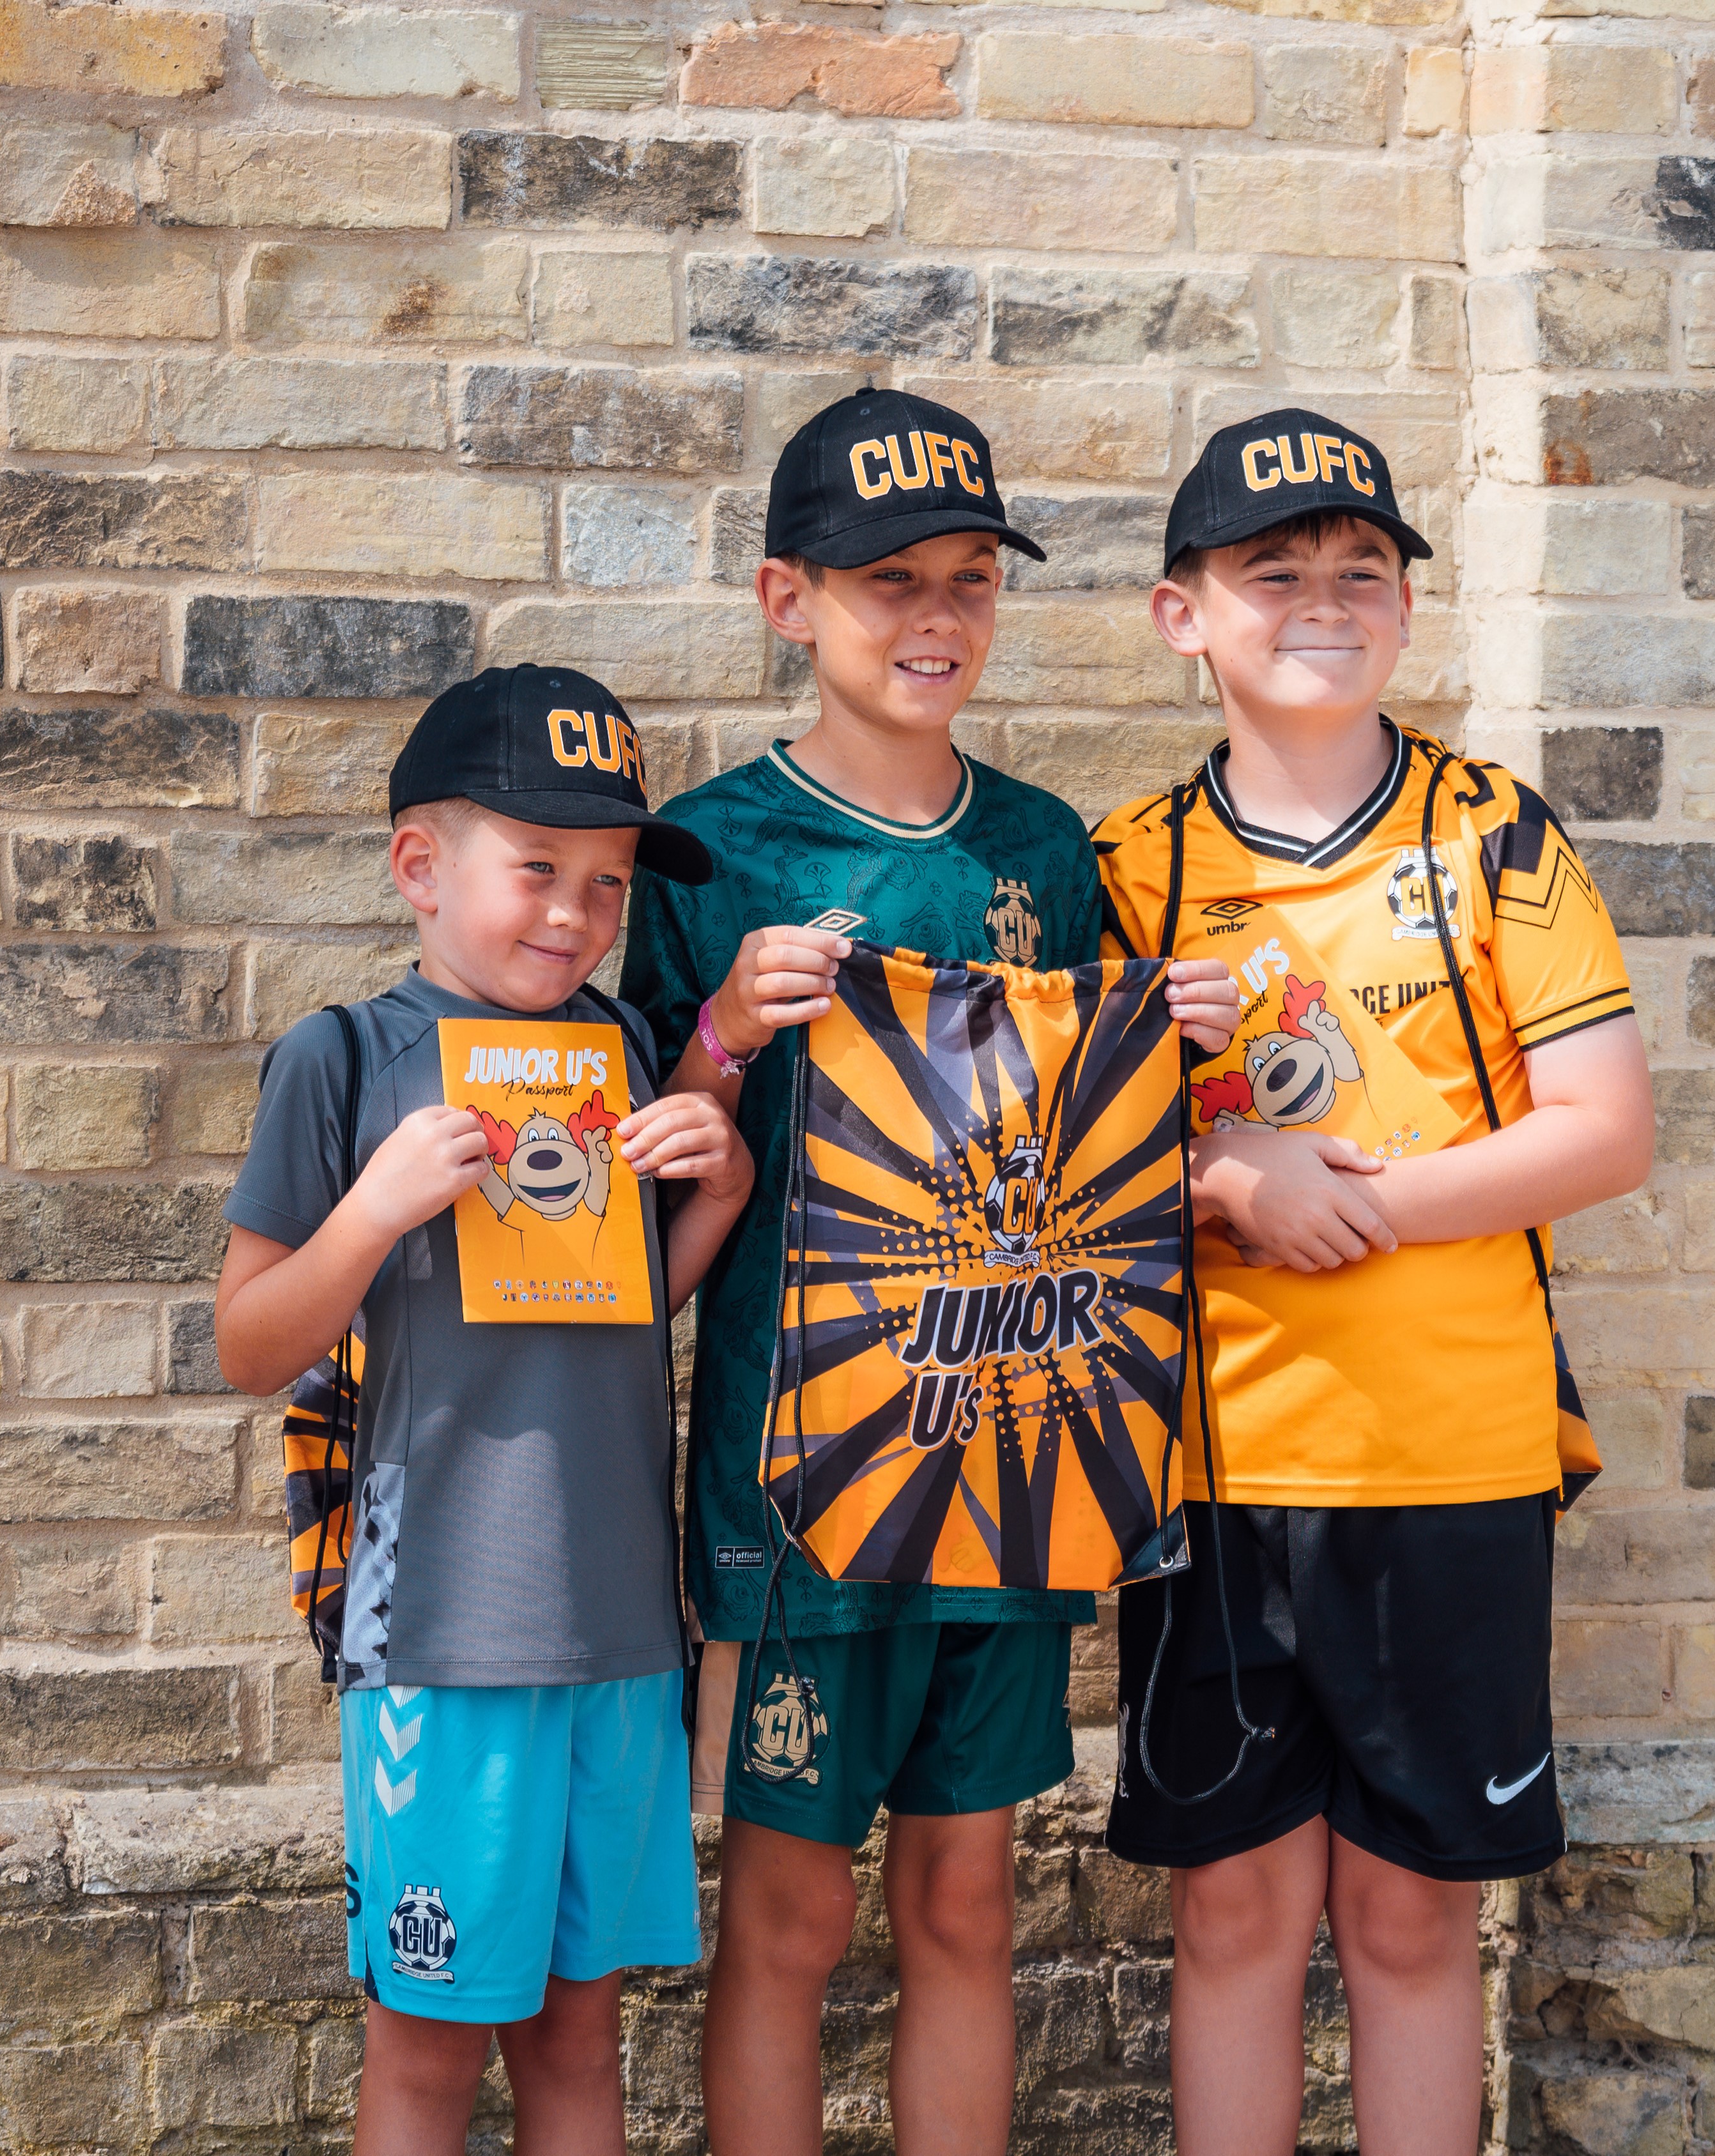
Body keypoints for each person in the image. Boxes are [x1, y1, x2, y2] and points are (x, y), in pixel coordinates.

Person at [617, 387, 1231, 2156]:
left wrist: (1178, 1045)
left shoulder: (1046, 852)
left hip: (1013, 1457)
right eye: (891, 583)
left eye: (971, 577)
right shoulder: (707, 854)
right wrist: (726, 1029)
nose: (939, 616)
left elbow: (1105, 1145)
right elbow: (631, 1194)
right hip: (801, 1484)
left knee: (970, 1907)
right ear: (784, 598)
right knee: (791, 1923)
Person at [1089, 409, 1656, 2156]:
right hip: (1220, 1479)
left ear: (1408, 608)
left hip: (1452, 1467)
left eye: (1364, 572)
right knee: (1235, 1921)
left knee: (1413, 1926)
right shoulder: (1125, 874)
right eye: (1275, 574)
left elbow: (1605, 1131)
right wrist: (1220, 1173)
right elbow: (1050, 1179)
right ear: (1186, 613)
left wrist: (1372, 1204)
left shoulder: (1494, 835)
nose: (1325, 602)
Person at [214, 664, 752, 2156]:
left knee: (583, 2041)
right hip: (443, 1637)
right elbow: (251, 1341)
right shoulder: (339, 1059)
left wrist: (721, 1182)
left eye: (608, 881)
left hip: (621, 1635)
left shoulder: (619, 1054)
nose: (575, 913)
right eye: (536, 869)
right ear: (418, 867)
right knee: (432, 2049)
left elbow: (631, 1309)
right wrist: (373, 1215)